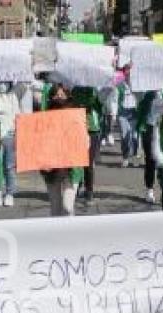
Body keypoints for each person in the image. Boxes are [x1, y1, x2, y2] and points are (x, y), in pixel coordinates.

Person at [40, 84, 83, 217]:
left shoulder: (76, 116)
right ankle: (57, 235)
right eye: (56, 95)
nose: (59, 98)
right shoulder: (43, 118)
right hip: (51, 168)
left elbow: (82, 140)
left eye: (62, 95)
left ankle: (70, 230)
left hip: (72, 168)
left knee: (67, 206)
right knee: (55, 208)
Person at [0, 81, 21, 207]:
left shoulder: (13, 96)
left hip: (10, 134)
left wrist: (16, 130)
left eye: (5, 83)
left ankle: (10, 193)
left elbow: (17, 114)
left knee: (9, 166)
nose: (2, 85)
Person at [71, 86, 103, 203]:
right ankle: (79, 187)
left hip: (92, 130)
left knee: (88, 162)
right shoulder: (74, 90)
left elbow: (100, 108)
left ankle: (89, 191)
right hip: (77, 128)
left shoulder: (94, 90)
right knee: (78, 161)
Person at [137, 89, 163, 205]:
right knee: (150, 160)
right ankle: (149, 189)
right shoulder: (148, 93)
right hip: (149, 128)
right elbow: (141, 110)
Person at [115, 65, 141, 168]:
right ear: (124, 72)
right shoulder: (119, 84)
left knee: (134, 137)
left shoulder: (138, 84)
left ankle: (135, 156)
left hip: (134, 113)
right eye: (127, 71)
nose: (129, 73)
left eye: (130, 71)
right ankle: (125, 157)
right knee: (124, 136)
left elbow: (141, 97)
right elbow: (114, 95)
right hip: (123, 113)